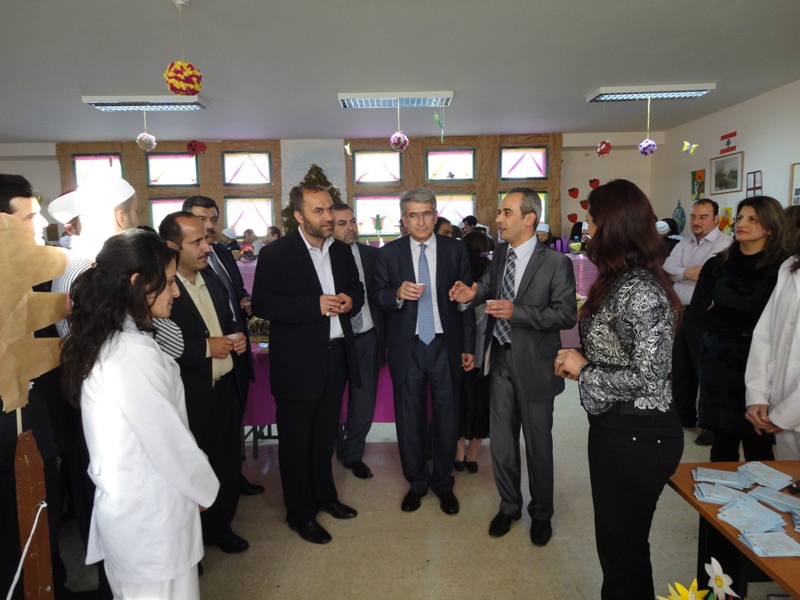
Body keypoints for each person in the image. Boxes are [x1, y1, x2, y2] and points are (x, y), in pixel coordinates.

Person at [59, 229, 219, 600]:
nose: (175, 292)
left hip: (140, 507)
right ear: (137, 282)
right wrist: (203, 487)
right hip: (150, 515)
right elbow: (167, 440)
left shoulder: (117, 337)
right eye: (168, 282)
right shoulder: (131, 353)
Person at [554, 179, 684, 600]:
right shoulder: (619, 279)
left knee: (624, 549)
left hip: (639, 435)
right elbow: (622, 356)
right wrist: (584, 365)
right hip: (617, 428)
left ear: (614, 225)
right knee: (618, 547)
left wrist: (586, 369)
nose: (587, 230)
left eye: (592, 221)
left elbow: (651, 377)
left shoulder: (641, 289)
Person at [450, 187, 576, 545]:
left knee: (538, 445)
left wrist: (517, 312)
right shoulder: (502, 252)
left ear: (529, 219)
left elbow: (565, 314)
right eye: (499, 212)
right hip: (500, 358)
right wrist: (471, 293)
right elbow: (489, 285)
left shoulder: (556, 263)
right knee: (503, 442)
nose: (498, 219)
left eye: (506, 212)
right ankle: (509, 506)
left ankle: (541, 513)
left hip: (536, 364)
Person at [251, 185, 363, 545]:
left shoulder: (341, 250)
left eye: (329, 209)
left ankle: (325, 496)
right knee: (296, 442)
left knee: (325, 436)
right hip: (297, 362)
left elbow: (357, 291)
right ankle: (300, 513)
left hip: (336, 356)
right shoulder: (277, 254)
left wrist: (350, 301)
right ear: (299, 216)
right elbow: (263, 303)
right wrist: (314, 305)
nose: (328, 217)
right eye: (319, 211)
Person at [374, 188, 475, 516]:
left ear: (435, 214)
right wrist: (396, 294)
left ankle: (443, 483)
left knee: (447, 418)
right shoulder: (388, 254)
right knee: (410, 419)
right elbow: (378, 296)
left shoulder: (455, 249)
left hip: (446, 345)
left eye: (426, 214)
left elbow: (467, 301)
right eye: (413, 215)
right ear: (404, 220)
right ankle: (417, 482)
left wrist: (468, 346)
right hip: (408, 347)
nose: (420, 221)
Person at [158, 212, 251, 554]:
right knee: (191, 468)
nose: (206, 248)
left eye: (206, 240)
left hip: (225, 387)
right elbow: (156, 341)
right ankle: (189, 540)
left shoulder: (210, 277)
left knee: (226, 464)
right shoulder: (162, 288)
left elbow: (228, 320)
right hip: (190, 393)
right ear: (172, 246)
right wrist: (204, 347)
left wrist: (237, 335)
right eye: (196, 242)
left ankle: (220, 527)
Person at [0, 174, 71, 600]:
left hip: (42, 405)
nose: (40, 224)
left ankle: (51, 582)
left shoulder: (33, 266)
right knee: (16, 511)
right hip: (10, 415)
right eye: (28, 217)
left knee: (45, 498)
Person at [179, 195, 263, 496]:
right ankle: (211, 491)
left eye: (214, 219)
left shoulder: (223, 254)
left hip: (234, 349)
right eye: (202, 219)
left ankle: (232, 477)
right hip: (202, 362)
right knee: (206, 433)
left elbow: (234, 293)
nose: (210, 226)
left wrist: (245, 301)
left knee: (232, 420)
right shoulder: (179, 269)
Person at [693, 195, 786, 462]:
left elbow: (775, 323)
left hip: (758, 362)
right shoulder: (717, 264)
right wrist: (743, 322)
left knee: (758, 441)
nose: (741, 224)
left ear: (770, 227)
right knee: (722, 441)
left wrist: (722, 313)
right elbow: (698, 313)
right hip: (716, 359)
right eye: (740, 217)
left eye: (752, 219)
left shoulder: (783, 268)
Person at [663, 198, 732, 445]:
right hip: (680, 312)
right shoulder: (684, 243)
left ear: (716, 219)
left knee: (706, 370)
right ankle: (683, 416)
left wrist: (681, 273)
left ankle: (709, 425)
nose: (696, 221)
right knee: (680, 366)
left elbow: (705, 274)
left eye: (703, 217)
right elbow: (667, 267)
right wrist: (685, 272)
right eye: (693, 216)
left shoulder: (725, 244)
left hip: (705, 314)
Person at [331, 203, 386, 479]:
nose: (350, 228)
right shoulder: (322, 257)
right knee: (329, 401)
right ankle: (326, 450)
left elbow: (382, 296)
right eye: (342, 224)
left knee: (363, 403)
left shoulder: (372, 255)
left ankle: (353, 454)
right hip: (335, 341)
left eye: (353, 222)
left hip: (367, 337)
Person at [745, 231, 800, 460]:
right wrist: (757, 395)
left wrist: (785, 416)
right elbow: (764, 335)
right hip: (781, 407)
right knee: (791, 478)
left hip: (789, 412)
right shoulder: (790, 267)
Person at [453, 231, 492, 474]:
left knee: (459, 401)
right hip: (485, 348)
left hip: (460, 347)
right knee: (480, 401)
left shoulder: (457, 271)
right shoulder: (491, 269)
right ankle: (473, 456)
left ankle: (458, 454)